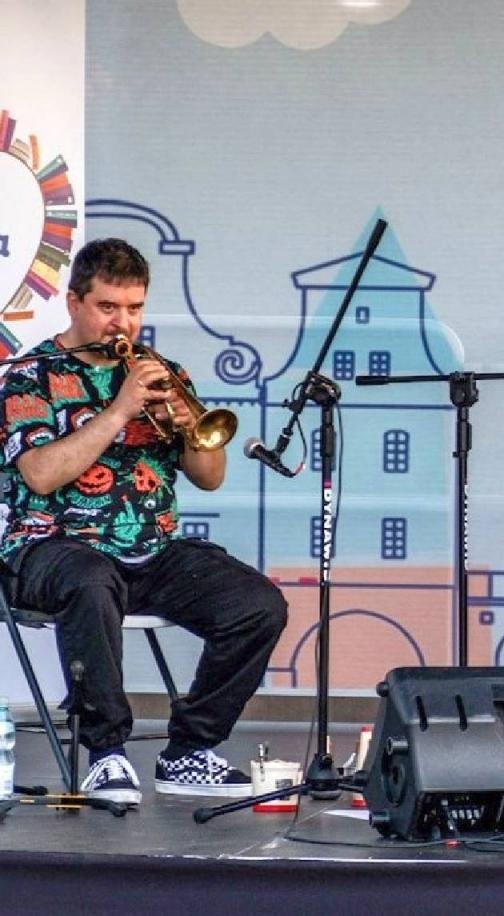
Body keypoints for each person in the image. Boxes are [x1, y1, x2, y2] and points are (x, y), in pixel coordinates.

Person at [0, 238, 288, 804]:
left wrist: (183, 422)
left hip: (151, 549)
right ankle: (105, 753)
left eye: (134, 308)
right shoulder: (27, 376)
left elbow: (209, 475)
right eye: (109, 307)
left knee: (259, 606)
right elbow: (39, 474)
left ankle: (189, 750)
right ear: (74, 301)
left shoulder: (163, 372)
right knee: (89, 578)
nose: (122, 323)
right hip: (51, 546)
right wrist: (120, 411)